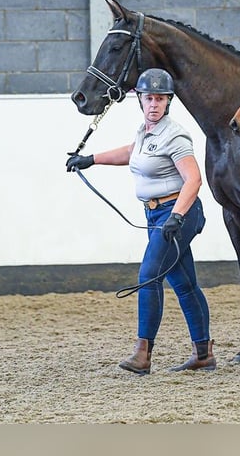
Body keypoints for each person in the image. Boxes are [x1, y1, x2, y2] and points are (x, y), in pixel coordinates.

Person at [66, 68, 214, 374]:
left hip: (177, 214)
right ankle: (203, 353)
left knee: (149, 275)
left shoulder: (175, 135)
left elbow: (194, 179)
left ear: (168, 102)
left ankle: (142, 353)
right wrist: (90, 159)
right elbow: (132, 153)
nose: (154, 104)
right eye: (149, 98)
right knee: (184, 284)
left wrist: (177, 216)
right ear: (141, 100)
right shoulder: (145, 131)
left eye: (161, 99)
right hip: (156, 214)